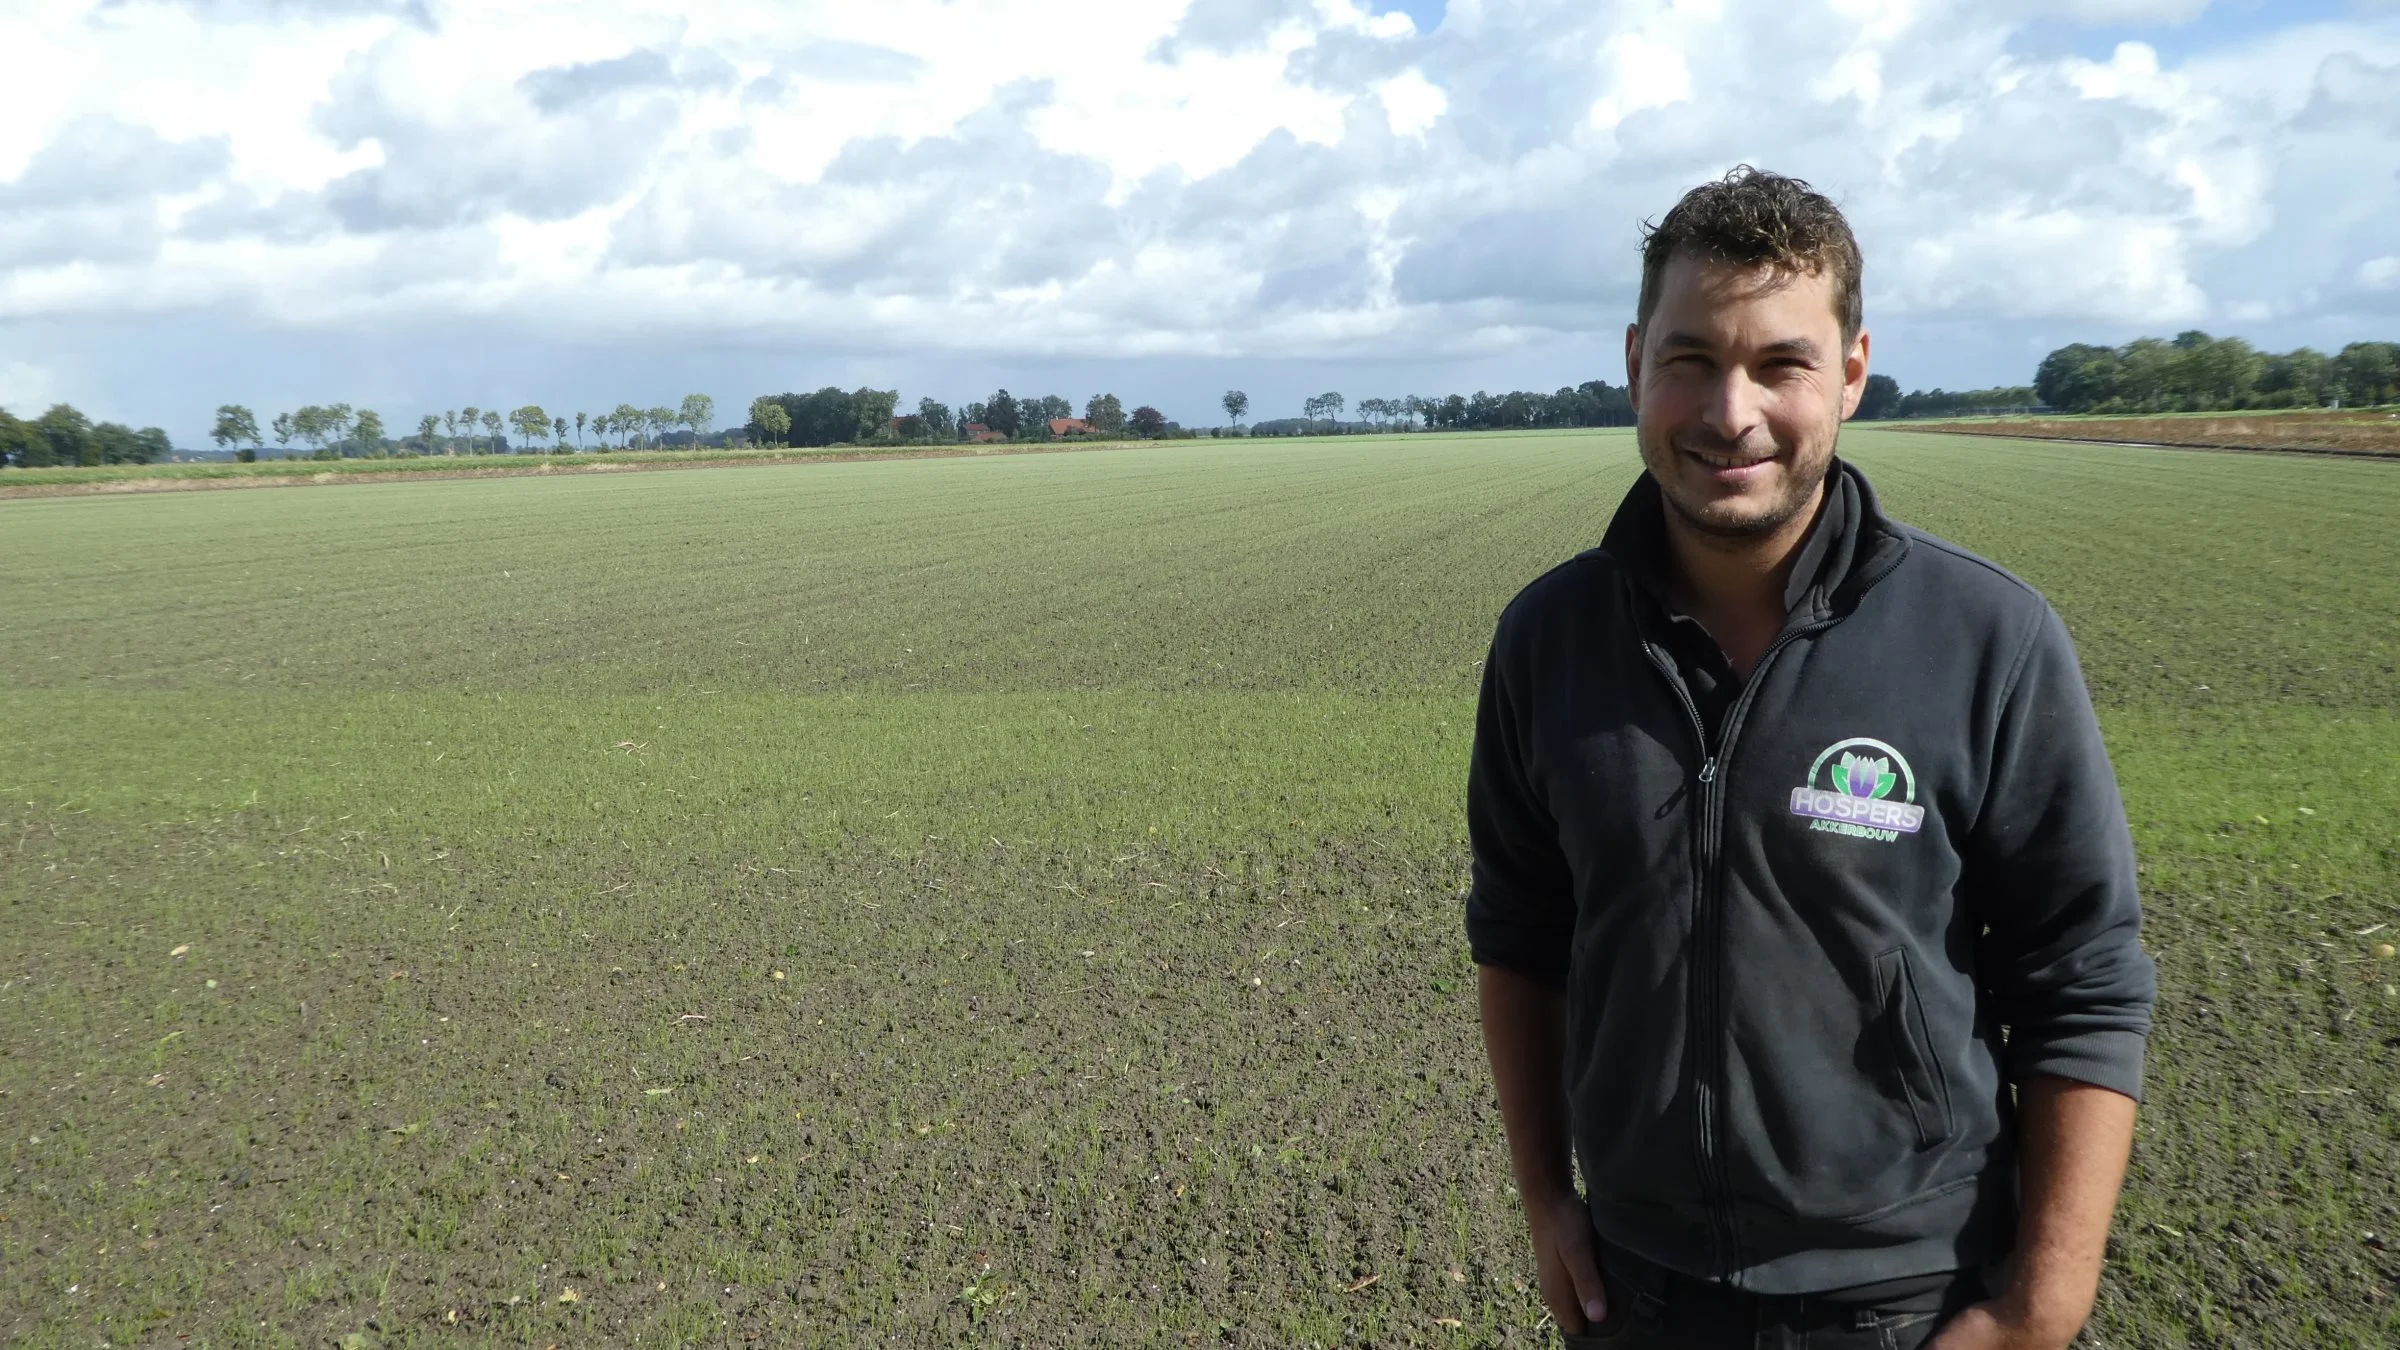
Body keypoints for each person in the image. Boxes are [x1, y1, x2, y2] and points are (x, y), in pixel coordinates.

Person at [1466, 167, 2156, 1350]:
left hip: (1907, 1296)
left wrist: (2042, 1303)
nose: (1728, 411)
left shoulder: (1986, 639)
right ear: (1635, 362)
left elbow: (2079, 975)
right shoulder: (1549, 639)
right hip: (1637, 1292)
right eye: (1689, 358)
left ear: (1850, 371)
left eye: (1780, 363)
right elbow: (1521, 942)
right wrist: (1547, 1203)